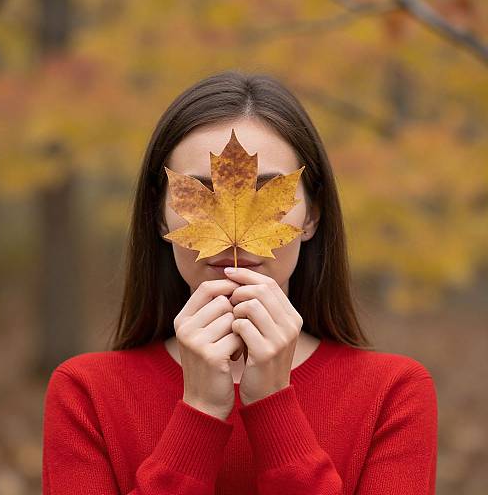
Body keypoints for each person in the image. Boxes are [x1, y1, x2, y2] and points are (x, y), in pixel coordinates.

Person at [42, 71, 438, 494]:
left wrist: (273, 408)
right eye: (197, 192)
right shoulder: (86, 394)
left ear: (312, 216)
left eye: (269, 191)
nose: (235, 225)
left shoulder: (393, 393)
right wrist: (200, 413)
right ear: (159, 216)